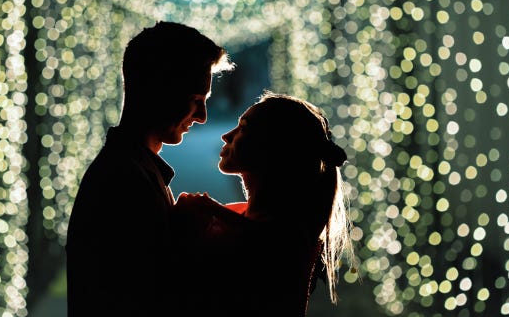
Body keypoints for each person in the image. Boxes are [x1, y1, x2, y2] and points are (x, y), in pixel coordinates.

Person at [66, 21, 233, 316]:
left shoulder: (132, 169)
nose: (203, 116)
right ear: (157, 88)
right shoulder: (124, 181)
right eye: (195, 99)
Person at [170, 91, 355, 317]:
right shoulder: (241, 220)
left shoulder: (284, 243)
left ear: (273, 148)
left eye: (244, 128)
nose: (227, 136)